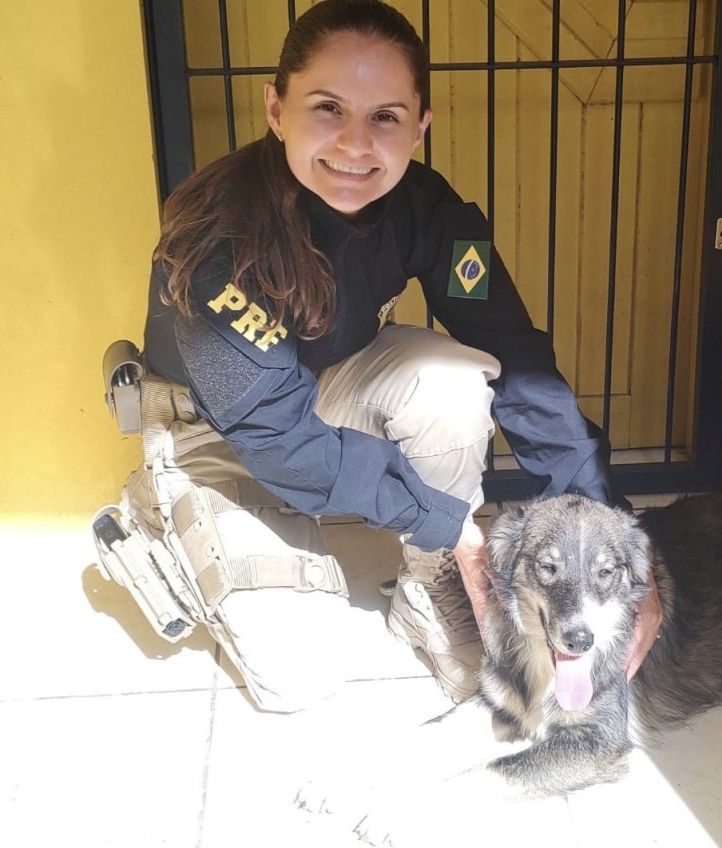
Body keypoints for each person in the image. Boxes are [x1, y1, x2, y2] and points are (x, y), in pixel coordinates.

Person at [114, 0, 661, 712]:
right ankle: (157, 512)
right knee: (293, 681)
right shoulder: (220, 238)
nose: (355, 144)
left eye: (385, 117)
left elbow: (516, 355)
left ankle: (430, 590)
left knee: (458, 377)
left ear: (419, 126)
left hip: (322, 393)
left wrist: (604, 521)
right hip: (222, 432)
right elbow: (279, 440)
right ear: (276, 109)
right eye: (327, 107)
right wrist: (448, 522)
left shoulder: (428, 210)